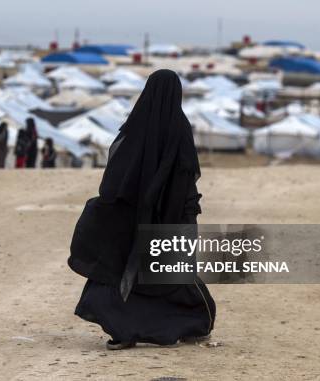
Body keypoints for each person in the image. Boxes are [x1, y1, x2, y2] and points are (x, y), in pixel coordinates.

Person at [68, 69, 215, 350]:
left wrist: (114, 206)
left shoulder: (135, 126)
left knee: (121, 267)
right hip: (169, 218)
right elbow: (187, 177)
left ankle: (122, 330)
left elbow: (114, 176)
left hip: (130, 216)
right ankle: (186, 324)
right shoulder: (179, 129)